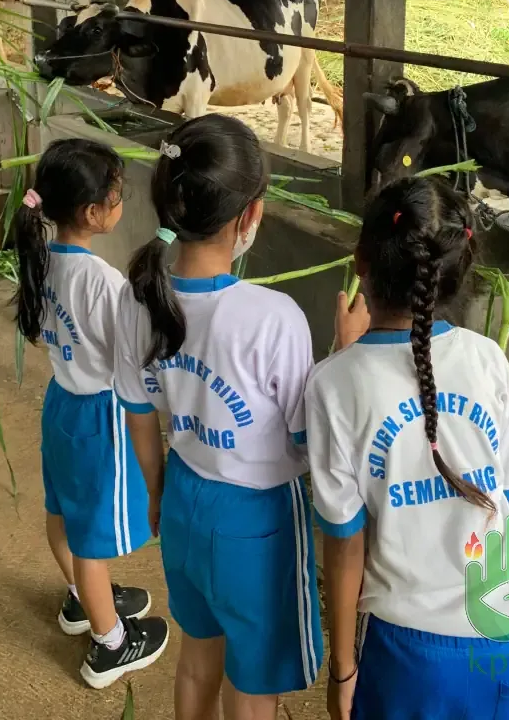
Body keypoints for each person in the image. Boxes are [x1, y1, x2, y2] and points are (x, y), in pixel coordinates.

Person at [306, 176, 509, 720]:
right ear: (460, 271)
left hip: (408, 653)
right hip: (508, 631)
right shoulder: (488, 359)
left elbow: (345, 546)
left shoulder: (333, 385)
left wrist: (342, 671)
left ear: (361, 263)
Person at [115, 115, 322, 720]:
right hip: (256, 520)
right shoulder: (274, 316)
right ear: (250, 215)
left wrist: (157, 494)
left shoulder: (138, 295)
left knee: (197, 656)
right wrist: (346, 359)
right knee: (253, 679)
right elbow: (306, 437)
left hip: (184, 499)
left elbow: (138, 413)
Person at [14, 138, 168, 689]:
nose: (120, 203)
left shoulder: (41, 257)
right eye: (117, 195)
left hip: (62, 402)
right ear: (92, 212)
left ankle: (83, 598)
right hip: (100, 415)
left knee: (63, 512)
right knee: (92, 538)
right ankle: (111, 643)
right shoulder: (101, 280)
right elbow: (132, 352)